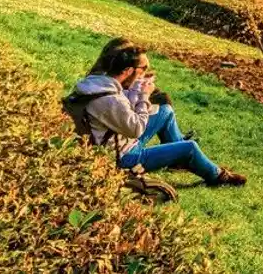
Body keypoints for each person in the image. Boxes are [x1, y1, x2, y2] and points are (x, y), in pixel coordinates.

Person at [69, 41, 244, 187]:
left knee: (165, 111)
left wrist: (138, 88)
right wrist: (144, 96)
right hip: (123, 158)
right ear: (129, 71)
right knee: (189, 147)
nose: (144, 73)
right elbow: (136, 128)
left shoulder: (97, 82)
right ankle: (218, 177)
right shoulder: (110, 100)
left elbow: (124, 107)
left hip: (118, 140)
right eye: (143, 69)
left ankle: (177, 160)